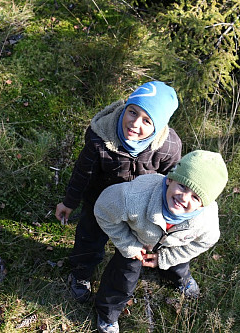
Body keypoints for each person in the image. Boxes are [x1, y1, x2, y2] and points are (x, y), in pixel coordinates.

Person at [55, 81, 182, 303]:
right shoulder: (100, 137)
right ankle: (80, 273)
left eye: (147, 120)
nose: (134, 123)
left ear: (159, 125)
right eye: (132, 112)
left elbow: (172, 181)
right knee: (89, 238)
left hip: (142, 205)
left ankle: (166, 270)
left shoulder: (168, 147)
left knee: (138, 245)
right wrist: (69, 201)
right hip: (100, 202)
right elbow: (83, 173)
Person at [92, 150, 228, 333]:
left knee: (178, 265)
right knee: (122, 278)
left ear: (204, 205)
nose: (184, 198)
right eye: (183, 186)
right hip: (137, 241)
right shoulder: (134, 196)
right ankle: (108, 315)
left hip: (174, 245)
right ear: (170, 179)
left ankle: (180, 279)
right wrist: (128, 244)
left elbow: (205, 241)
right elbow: (103, 209)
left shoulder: (206, 221)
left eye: (196, 197)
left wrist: (166, 258)